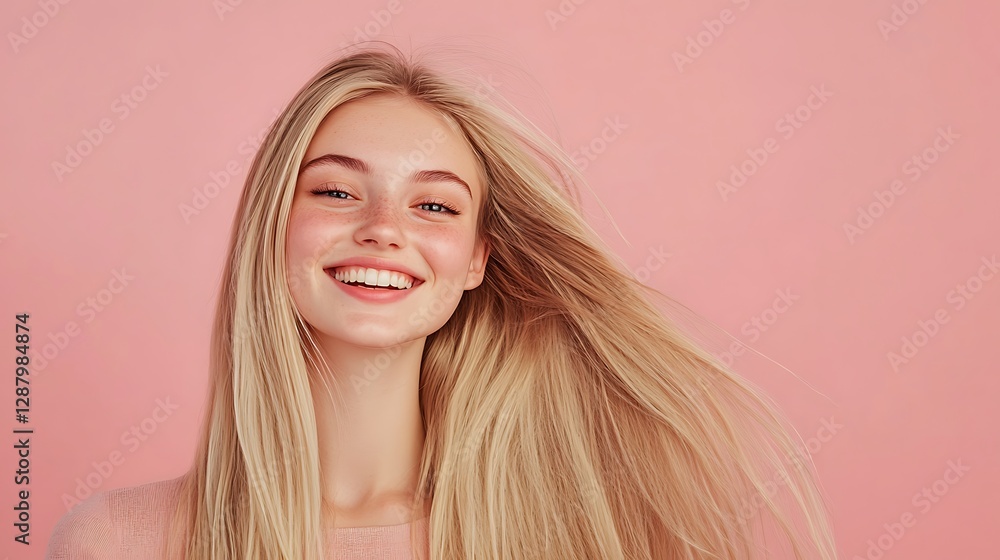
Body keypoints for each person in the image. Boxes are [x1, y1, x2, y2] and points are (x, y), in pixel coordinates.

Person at [47, 42, 838, 559]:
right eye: (336, 189)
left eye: (434, 206)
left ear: (476, 261)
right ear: (272, 226)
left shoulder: (580, 540)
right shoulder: (113, 543)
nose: (383, 230)